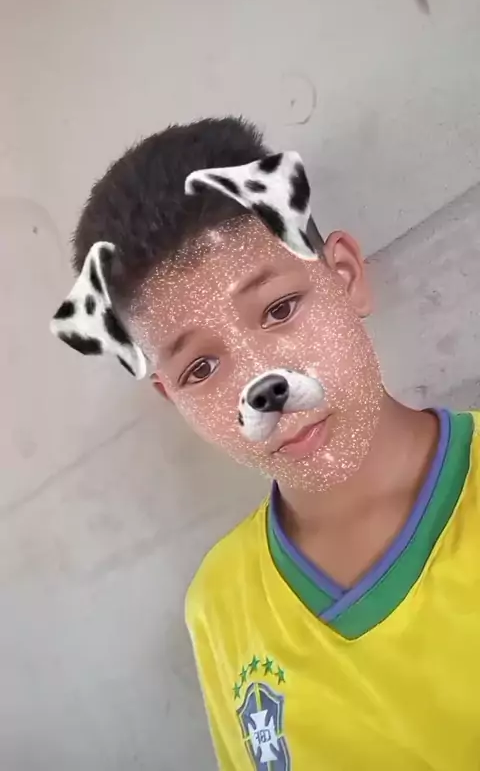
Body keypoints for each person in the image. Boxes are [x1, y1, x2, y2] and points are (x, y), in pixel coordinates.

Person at [50, 117, 480, 770]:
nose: (261, 383)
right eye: (200, 368)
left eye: (280, 309)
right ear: (171, 396)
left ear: (345, 275)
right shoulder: (218, 605)